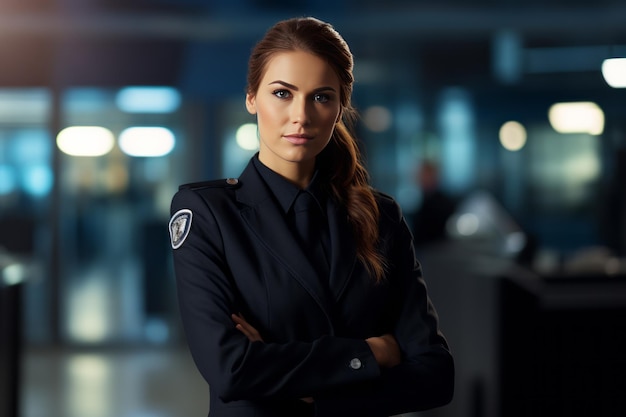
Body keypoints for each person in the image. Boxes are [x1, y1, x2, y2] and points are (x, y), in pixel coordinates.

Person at [169, 16, 454, 417]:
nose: (301, 116)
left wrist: (306, 389)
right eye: (282, 93)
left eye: (321, 97)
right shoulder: (208, 215)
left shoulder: (380, 217)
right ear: (252, 98)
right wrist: (374, 352)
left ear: (340, 108)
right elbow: (231, 371)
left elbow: (436, 375)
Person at [410, 160, 456, 248]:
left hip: (434, 252)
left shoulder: (441, 203)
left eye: (423, 174)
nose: (419, 178)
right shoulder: (425, 199)